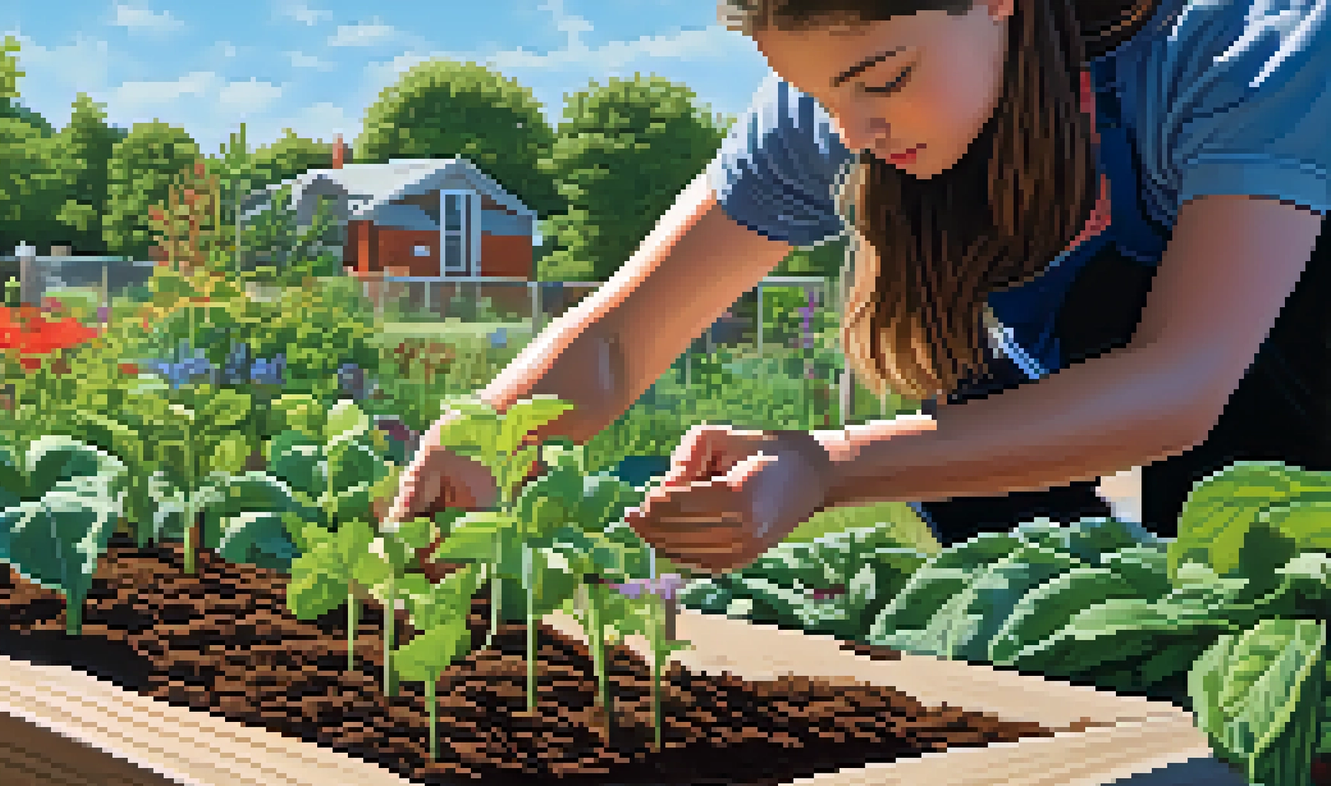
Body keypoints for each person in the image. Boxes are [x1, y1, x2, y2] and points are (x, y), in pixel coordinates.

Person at [386, 0, 1330, 579]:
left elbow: (1182, 379)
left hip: (1275, 386)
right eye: (816, 93)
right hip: (1147, 391)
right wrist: (483, 434)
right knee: (950, 378)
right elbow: (618, 341)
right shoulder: (834, 108)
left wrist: (828, 464)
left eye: (882, 80)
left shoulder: (1233, 48)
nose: (849, 131)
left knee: (1249, 556)